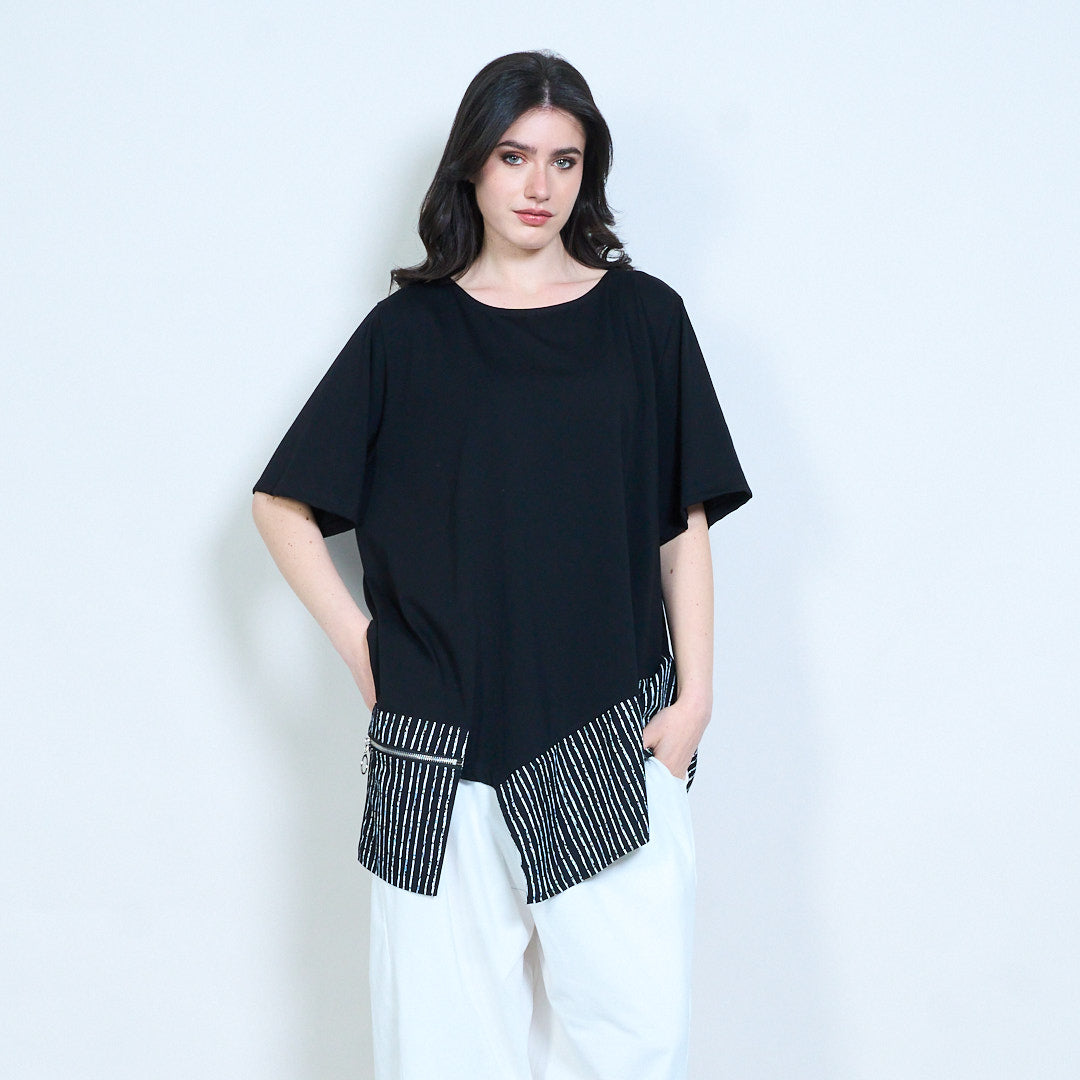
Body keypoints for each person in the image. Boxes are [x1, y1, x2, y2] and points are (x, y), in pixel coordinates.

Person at [251, 49, 751, 1080]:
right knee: (442, 1056)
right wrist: (367, 651)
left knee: (633, 1047)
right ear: (472, 164)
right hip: (436, 746)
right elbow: (281, 502)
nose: (539, 185)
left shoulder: (644, 320)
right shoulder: (407, 334)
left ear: (587, 172)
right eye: (515, 156)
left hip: (612, 734)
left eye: (564, 160)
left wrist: (695, 700)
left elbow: (681, 524)